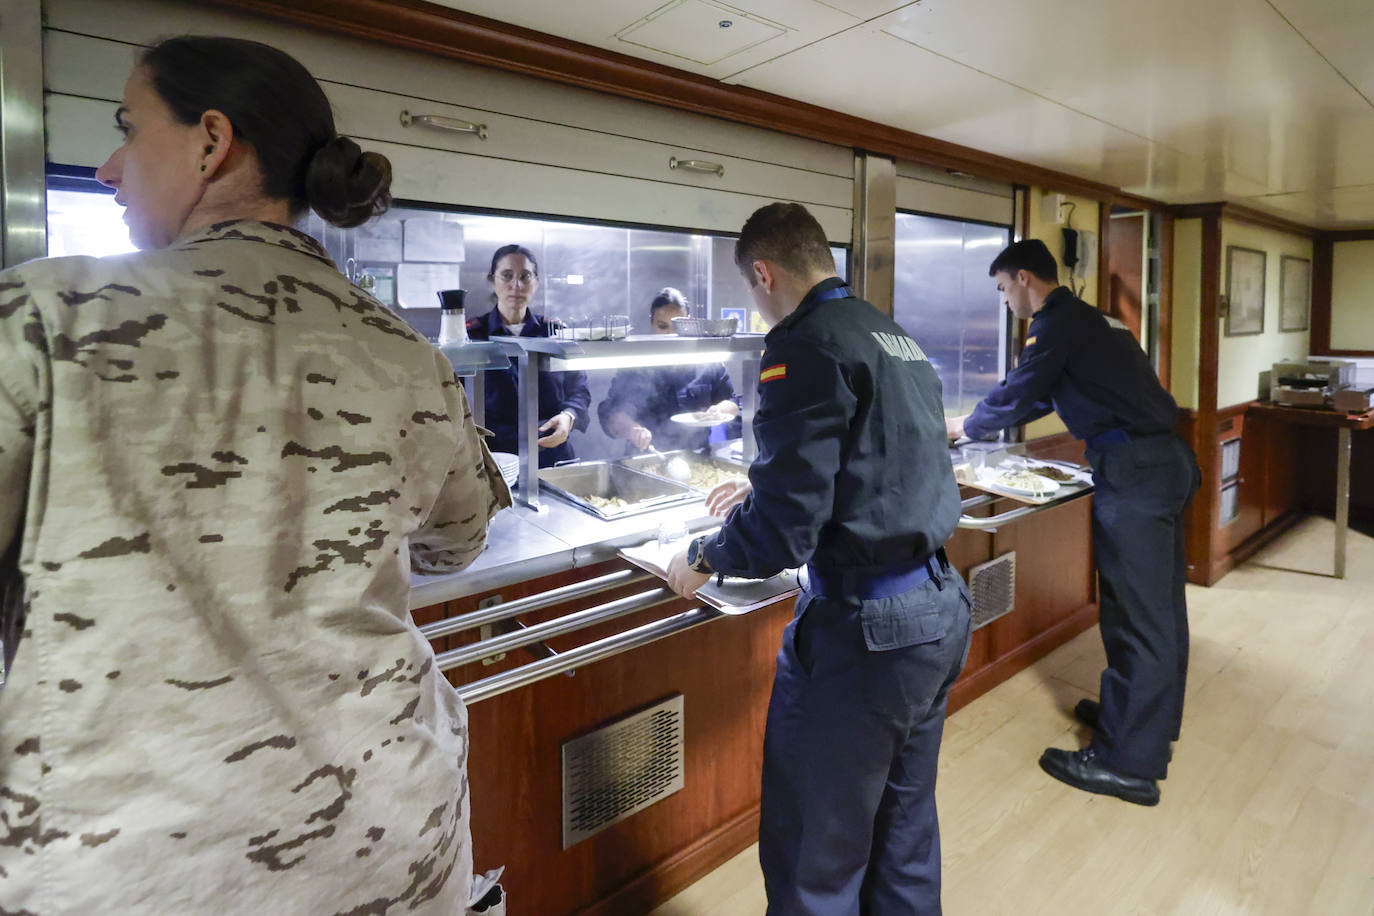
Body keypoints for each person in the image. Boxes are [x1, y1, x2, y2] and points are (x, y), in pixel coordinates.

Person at [0, 36, 510, 914]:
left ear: (210, 141)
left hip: (152, 876)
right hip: (399, 849)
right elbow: (458, 542)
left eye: (129, 128)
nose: (111, 165)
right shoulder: (408, 353)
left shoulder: (43, 320)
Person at [667, 203, 971, 914]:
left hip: (868, 631)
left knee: (817, 849)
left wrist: (705, 556)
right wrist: (767, 481)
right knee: (903, 831)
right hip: (937, 607)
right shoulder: (890, 334)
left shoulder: (801, 344)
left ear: (764, 273)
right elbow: (881, 462)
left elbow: (783, 533)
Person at [946, 238, 1199, 807]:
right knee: (1159, 606)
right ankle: (1141, 721)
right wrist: (985, 421)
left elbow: (1026, 388)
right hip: (1163, 460)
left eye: (1004, 288)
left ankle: (1128, 762)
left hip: (1134, 469)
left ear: (1025, 278)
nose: (1006, 300)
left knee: (1137, 615)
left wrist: (965, 427)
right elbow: (1041, 397)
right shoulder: (1094, 320)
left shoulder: (1056, 322)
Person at [465, 245, 591, 467]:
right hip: (496, 462)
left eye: (525, 276)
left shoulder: (555, 333)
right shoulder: (472, 336)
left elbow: (579, 390)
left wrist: (569, 416)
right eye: (507, 276)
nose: (516, 285)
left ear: (537, 281)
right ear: (491, 280)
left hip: (553, 456)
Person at [597, 287, 740, 454]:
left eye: (678, 326)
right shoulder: (635, 363)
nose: (671, 335)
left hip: (698, 456)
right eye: (662, 326)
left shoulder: (707, 361)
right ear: (651, 321)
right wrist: (632, 429)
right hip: (648, 457)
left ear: (689, 321)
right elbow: (610, 412)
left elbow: (732, 402)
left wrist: (718, 410)